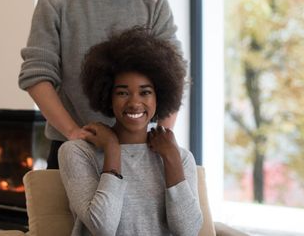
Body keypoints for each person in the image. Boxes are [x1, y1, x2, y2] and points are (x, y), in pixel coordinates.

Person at [18, 0, 182, 168]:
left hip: (138, 149)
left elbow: (175, 74)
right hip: (71, 148)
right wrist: (72, 132)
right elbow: (36, 75)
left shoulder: (153, 1)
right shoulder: (55, 1)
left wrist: (162, 135)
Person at [58, 26, 202, 236]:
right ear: (107, 96)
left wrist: (171, 158)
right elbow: (102, 227)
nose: (135, 102)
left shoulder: (180, 157)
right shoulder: (78, 153)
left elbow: (188, 231)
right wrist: (112, 149)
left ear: (159, 97)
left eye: (145, 92)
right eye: (123, 93)